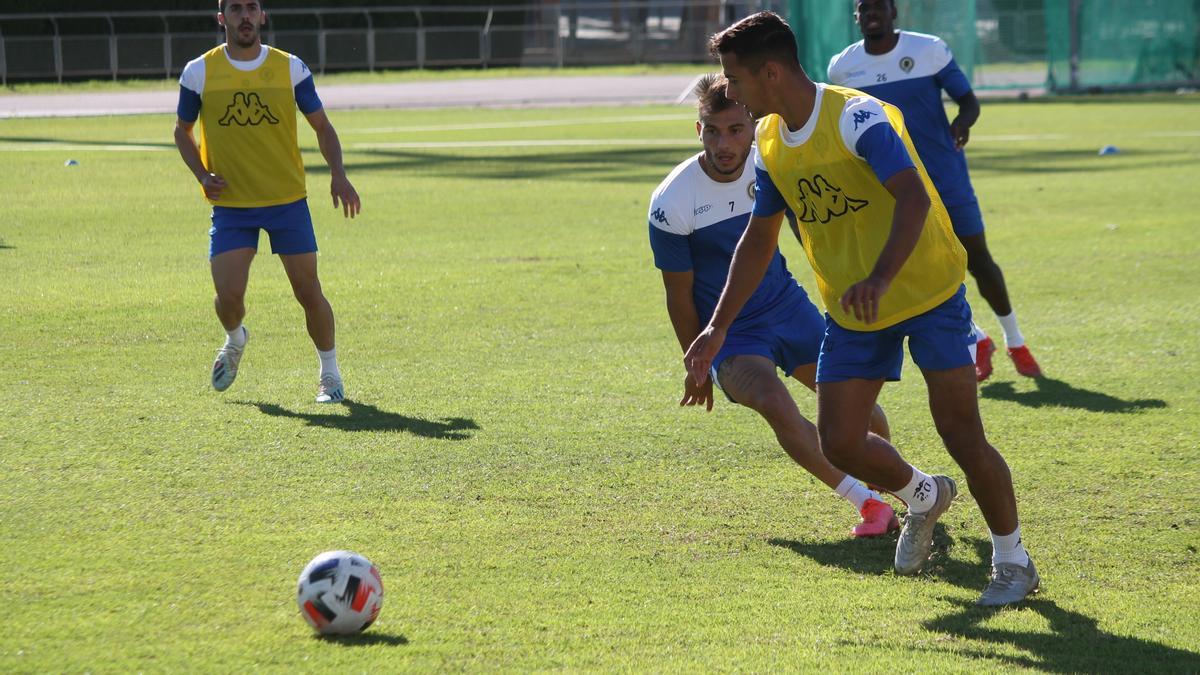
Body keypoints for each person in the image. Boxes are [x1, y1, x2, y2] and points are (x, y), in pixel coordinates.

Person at [685, 11, 1039, 606]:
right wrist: (715, 329)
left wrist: (880, 276)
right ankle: (923, 495)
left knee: (961, 433)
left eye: (737, 79)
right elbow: (759, 238)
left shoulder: (855, 115)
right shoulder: (769, 141)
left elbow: (912, 197)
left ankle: (1013, 561)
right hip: (854, 308)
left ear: (770, 72)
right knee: (840, 442)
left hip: (925, 292)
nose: (733, 93)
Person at [650, 74, 897, 538]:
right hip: (732, 336)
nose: (725, 143)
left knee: (857, 408)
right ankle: (867, 503)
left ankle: (898, 485)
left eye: (736, 130)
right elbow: (678, 296)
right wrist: (696, 362)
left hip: (787, 307)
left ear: (753, 125)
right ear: (698, 130)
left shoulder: (773, 164)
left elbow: (812, 231)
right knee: (774, 402)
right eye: (713, 130)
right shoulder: (671, 202)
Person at [827, 0, 1042, 382]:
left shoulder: (928, 50)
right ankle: (977, 338)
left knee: (978, 259)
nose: (871, 12)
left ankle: (1016, 341)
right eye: (864, 7)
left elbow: (968, 102)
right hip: (889, 186)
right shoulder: (842, 68)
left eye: (879, 6)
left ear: (894, 12)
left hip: (945, 175)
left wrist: (963, 121)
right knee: (910, 265)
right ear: (856, 16)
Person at [173, 0, 361, 403]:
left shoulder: (290, 68)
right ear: (222, 18)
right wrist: (202, 176)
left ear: (263, 16)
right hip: (232, 207)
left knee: (308, 291)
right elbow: (181, 131)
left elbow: (322, 126)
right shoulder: (199, 72)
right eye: (236, 8)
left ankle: (330, 375)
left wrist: (339, 174)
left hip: (286, 201)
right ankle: (235, 338)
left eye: (252, 7)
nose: (245, 16)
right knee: (228, 298)